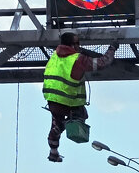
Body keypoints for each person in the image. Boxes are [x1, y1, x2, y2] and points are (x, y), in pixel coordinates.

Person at [42, 31, 115, 163]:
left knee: (55, 124)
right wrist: (113, 48)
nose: (79, 46)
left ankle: (53, 152)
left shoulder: (55, 56)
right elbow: (103, 62)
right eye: (77, 43)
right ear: (72, 45)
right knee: (82, 116)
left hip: (53, 100)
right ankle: (63, 124)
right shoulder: (77, 59)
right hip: (70, 101)